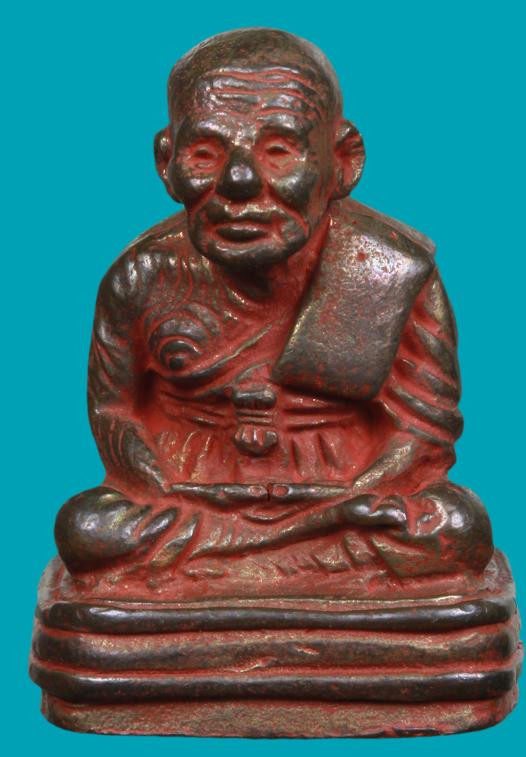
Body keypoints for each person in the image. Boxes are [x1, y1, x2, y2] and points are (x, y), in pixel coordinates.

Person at [55, 29, 492, 588]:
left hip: (343, 498)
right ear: (166, 162)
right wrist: (160, 483)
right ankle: (285, 560)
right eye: (205, 153)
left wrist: (354, 497)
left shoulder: (388, 272)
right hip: (195, 496)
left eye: (279, 152)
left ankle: (235, 564)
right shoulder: (142, 277)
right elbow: (114, 411)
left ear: (343, 161)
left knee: (455, 527)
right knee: (89, 528)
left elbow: (425, 433)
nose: (239, 181)